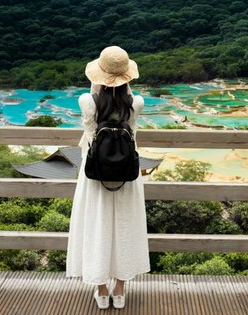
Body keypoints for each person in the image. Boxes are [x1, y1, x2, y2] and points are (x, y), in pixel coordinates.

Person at [66, 46, 150, 310]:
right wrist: (124, 90)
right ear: (127, 78)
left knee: (97, 227)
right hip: (126, 176)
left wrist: (97, 86)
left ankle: (101, 292)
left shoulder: (87, 101)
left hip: (95, 176)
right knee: (126, 226)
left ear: (98, 76)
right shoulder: (135, 103)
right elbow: (130, 104)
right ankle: (120, 290)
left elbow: (90, 131)